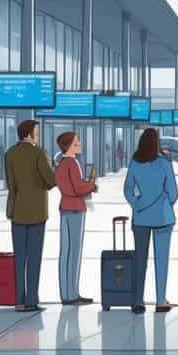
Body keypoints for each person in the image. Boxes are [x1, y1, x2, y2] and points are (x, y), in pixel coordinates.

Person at [124, 127, 178, 314]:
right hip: (162, 218)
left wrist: (137, 204)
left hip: (140, 219)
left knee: (140, 261)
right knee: (161, 260)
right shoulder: (163, 163)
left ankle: (138, 302)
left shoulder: (134, 163)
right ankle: (160, 301)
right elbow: (173, 193)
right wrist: (164, 203)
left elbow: (128, 189)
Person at [5, 120, 56, 312]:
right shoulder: (39, 153)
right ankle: (32, 300)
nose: (38, 135)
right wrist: (50, 165)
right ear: (28, 134)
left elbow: (11, 184)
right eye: (36, 131)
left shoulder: (10, 153)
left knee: (19, 257)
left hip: (17, 210)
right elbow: (51, 182)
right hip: (36, 212)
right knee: (34, 257)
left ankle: (19, 300)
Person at [56, 130, 97, 306]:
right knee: (74, 253)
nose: (79, 145)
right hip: (76, 209)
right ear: (68, 147)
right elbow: (78, 188)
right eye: (75, 143)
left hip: (64, 207)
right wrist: (92, 185)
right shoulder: (73, 163)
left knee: (65, 252)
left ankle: (65, 293)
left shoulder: (61, 164)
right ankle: (72, 294)